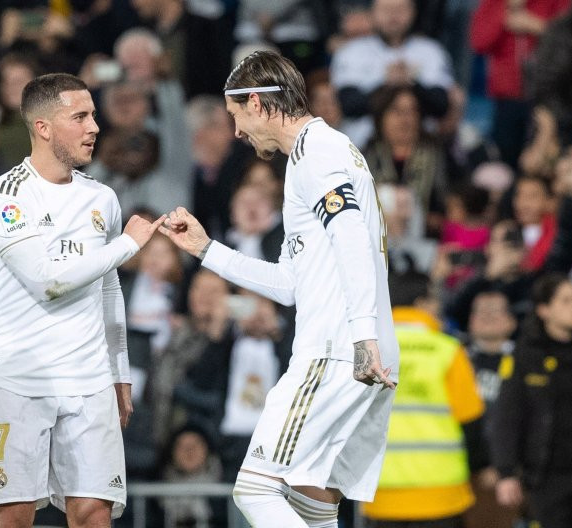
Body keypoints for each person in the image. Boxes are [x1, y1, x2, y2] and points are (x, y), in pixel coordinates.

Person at [159, 50, 399, 528]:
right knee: (313, 505)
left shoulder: (316, 152)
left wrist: (360, 334)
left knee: (256, 490)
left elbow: (349, 232)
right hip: (357, 347)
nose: (237, 133)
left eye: (236, 117)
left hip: (337, 350)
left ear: (257, 102)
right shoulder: (320, 155)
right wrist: (208, 250)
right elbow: (290, 285)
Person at [0, 73, 164, 527]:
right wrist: (128, 244)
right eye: (80, 117)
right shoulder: (5, 196)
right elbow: (47, 281)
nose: (94, 127)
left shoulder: (102, 199)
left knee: (94, 516)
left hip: (89, 378)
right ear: (43, 127)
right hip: (20, 378)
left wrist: (118, 371)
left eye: (93, 115)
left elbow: (108, 287)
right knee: (13, 518)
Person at [362, 271, 485, 527]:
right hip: (441, 495)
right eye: (434, 300)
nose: (438, 306)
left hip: (380, 494)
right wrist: (481, 468)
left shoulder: (366, 352)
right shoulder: (447, 350)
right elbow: (471, 419)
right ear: (421, 304)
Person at [489, 274, 572, 528]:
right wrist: (506, 472)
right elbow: (508, 417)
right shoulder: (525, 355)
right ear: (544, 309)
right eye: (566, 300)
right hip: (545, 475)